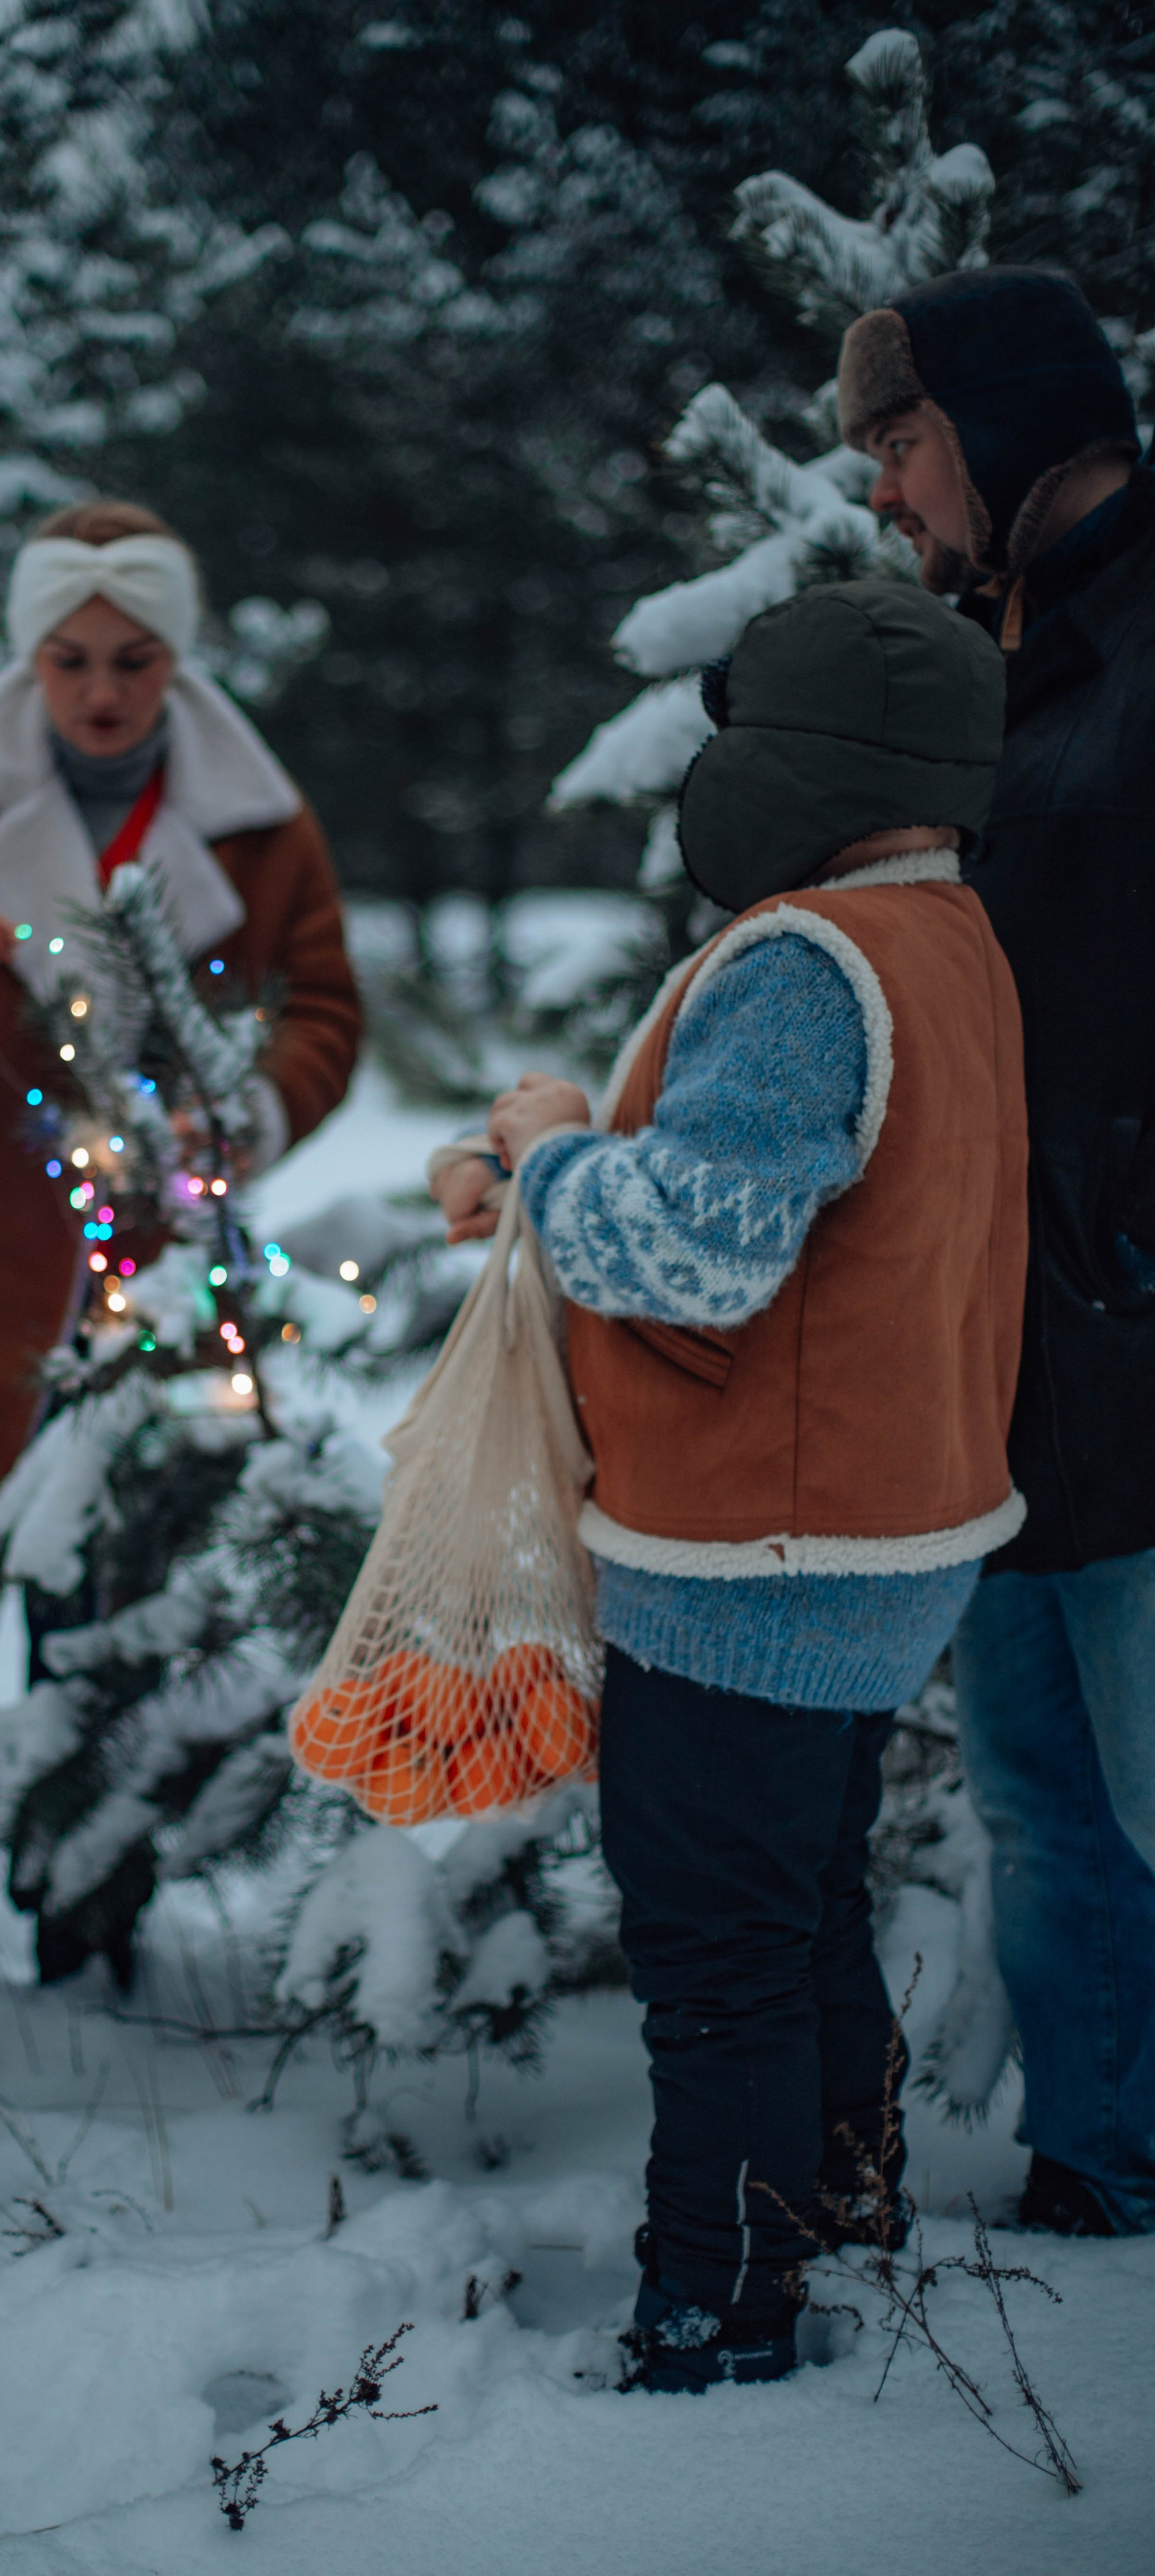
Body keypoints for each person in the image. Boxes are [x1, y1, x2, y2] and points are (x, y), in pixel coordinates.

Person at [434, 580, 1023, 2392]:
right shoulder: (951, 939)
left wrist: (544, 1158)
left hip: (753, 1554)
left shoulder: (802, 964)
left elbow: (696, 1249)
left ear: (800, 763)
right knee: (800, 1899)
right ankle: (843, 2201)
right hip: (885, 1533)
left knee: (715, 1956)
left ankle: (717, 2313)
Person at [0, 501, 360, 1933]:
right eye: (69, 659)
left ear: (177, 660)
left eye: (133, 660)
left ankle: (81, 1925)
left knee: (105, 1613)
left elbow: (324, 1012)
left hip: (136, 1285)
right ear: (26, 660)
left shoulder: (261, 818)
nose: (102, 692)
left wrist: (239, 1103)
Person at [839, 267, 1155, 2238]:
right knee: (1043, 1799)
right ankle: (1105, 2162)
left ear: (1012, 419)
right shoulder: (979, 646)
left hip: (1134, 1332)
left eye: (899, 439)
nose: (883, 493)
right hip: (1000, 1353)